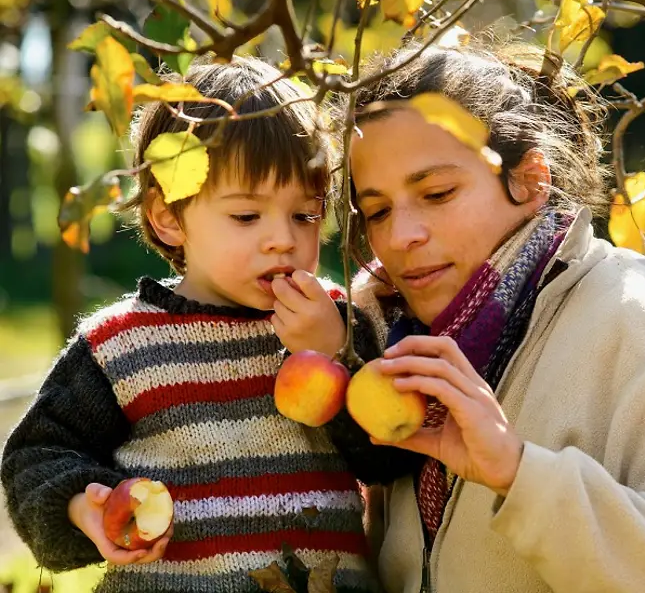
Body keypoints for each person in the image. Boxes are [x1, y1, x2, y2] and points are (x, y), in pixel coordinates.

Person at [324, 39, 645, 592]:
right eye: (377, 211)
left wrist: (517, 472)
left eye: (438, 193)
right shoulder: (391, 339)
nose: (399, 236)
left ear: (532, 180)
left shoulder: (642, 318)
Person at [1, 56, 382, 593]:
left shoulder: (335, 322)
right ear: (168, 218)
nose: (283, 239)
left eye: (305, 214)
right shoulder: (122, 344)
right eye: (247, 216)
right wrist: (87, 509)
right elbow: (34, 459)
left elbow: (386, 456)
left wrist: (336, 353)